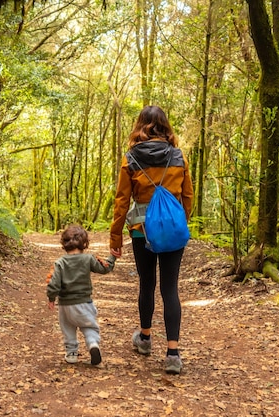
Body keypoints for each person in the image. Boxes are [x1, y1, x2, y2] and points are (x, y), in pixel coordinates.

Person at [109, 105, 193, 375]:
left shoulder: (131, 158)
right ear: (165, 126)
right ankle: (173, 354)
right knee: (170, 288)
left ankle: (145, 339)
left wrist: (115, 235)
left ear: (140, 125)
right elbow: (188, 196)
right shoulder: (179, 156)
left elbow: (122, 200)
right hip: (172, 229)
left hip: (141, 228)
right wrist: (181, 222)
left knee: (147, 283)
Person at [47, 224, 116, 366]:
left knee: (68, 328)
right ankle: (92, 344)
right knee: (89, 326)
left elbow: (54, 283)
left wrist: (51, 297)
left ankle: (72, 353)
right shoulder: (88, 259)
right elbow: (104, 268)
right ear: (84, 244)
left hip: (65, 305)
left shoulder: (60, 263)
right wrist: (112, 258)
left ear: (64, 244)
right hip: (84, 303)